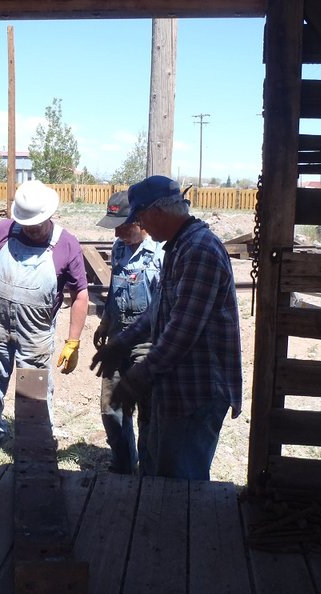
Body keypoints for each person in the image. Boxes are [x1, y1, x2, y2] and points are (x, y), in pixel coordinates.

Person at [91, 175, 242, 480]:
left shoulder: (199, 250)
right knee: (160, 475)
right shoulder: (179, 247)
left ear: (157, 212)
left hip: (197, 392)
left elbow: (182, 332)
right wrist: (122, 342)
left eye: (141, 217)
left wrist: (138, 378)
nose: (142, 226)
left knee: (180, 486)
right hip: (177, 388)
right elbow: (159, 310)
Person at [0, 180, 89, 444]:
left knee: (33, 389)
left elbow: (79, 294)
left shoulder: (66, 244)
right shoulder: (3, 231)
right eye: (27, 225)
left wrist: (73, 342)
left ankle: (35, 441)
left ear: (49, 215)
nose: (31, 230)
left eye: (37, 225)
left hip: (36, 333)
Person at [94, 190, 164, 474]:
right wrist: (106, 322)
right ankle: (123, 464)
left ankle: (148, 470)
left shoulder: (161, 252)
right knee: (111, 407)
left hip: (147, 342)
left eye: (124, 227)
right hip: (118, 337)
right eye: (115, 227)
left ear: (141, 221)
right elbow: (114, 290)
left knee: (147, 410)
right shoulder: (119, 249)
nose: (118, 234)